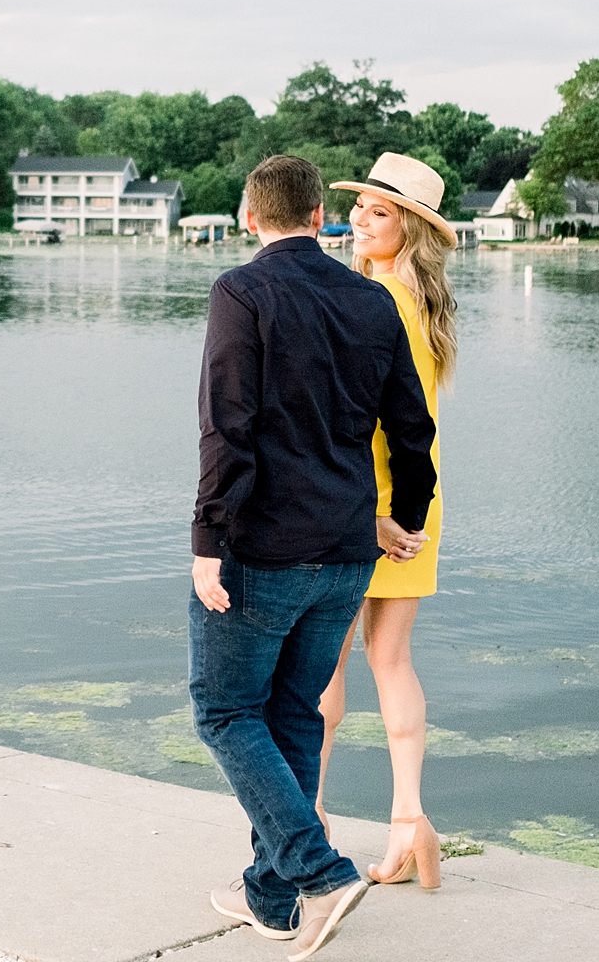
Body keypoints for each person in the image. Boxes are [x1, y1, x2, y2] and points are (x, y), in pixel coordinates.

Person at [191, 153, 440, 961]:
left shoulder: (242, 290)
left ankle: (319, 874)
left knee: (226, 711)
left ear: (251, 216)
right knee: (294, 714)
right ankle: (269, 896)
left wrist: (208, 542)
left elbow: (227, 428)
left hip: (266, 546)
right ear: (319, 217)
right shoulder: (371, 299)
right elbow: (413, 429)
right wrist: (400, 519)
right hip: (346, 553)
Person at [314, 153, 460, 890]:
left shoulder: (378, 302)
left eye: (377, 212)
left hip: (365, 503)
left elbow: (359, 413)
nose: (357, 222)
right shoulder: (424, 303)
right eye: (359, 209)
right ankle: (410, 823)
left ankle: (307, 820)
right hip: (416, 500)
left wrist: (369, 510)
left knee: (324, 662)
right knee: (391, 660)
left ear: (410, 228)